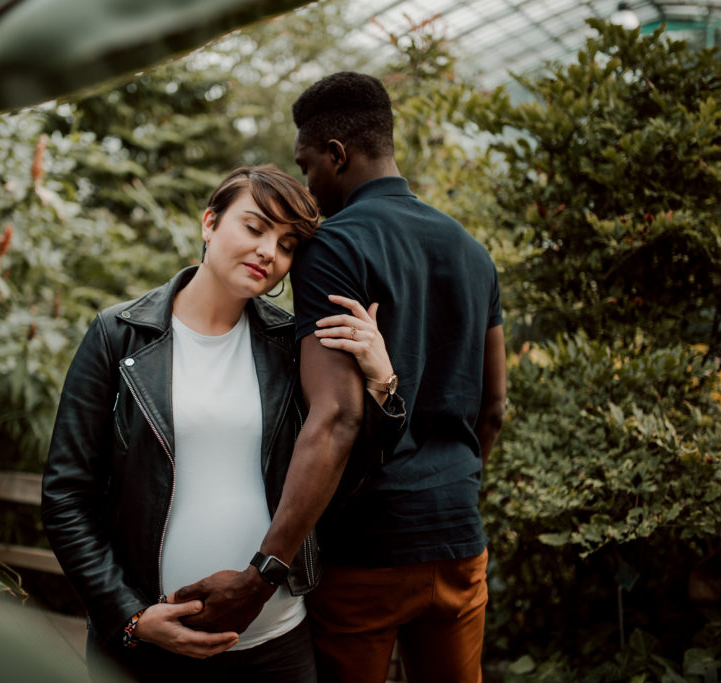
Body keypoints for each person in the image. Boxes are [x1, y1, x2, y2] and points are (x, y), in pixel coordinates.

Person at [176, 72, 507, 683]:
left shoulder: (334, 247)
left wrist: (262, 575)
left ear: (336, 154)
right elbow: (493, 409)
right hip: (460, 544)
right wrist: (452, 491)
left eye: (307, 167)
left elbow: (336, 417)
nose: (308, 186)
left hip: (366, 554)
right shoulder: (473, 252)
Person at [40, 164, 406, 683]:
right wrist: (129, 617)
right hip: (145, 650)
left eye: (287, 245)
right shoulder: (117, 335)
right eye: (255, 227)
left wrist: (381, 384)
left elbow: (339, 479)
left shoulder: (292, 348)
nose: (268, 252)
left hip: (276, 648)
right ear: (209, 223)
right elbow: (66, 495)